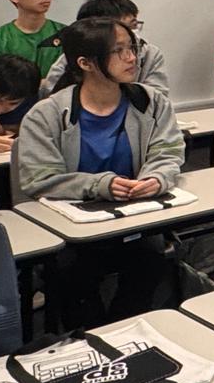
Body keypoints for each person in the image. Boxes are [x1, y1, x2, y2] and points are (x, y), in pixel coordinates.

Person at [16, 18, 183, 321]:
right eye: (119, 51)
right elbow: (39, 178)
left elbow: (168, 150)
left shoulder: (150, 101)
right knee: (73, 276)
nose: (132, 58)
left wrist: (156, 177)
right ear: (85, 63)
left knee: (152, 260)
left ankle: (124, 328)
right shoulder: (46, 114)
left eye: (132, 48)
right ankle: (88, 334)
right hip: (73, 230)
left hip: (134, 218)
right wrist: (99, 185)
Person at [44, 0, 168, 94]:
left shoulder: (149, 53)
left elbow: (159, 100)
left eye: (134, 25)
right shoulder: (73, 58)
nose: (131, 58)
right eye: (121, 28)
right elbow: (52, 93)